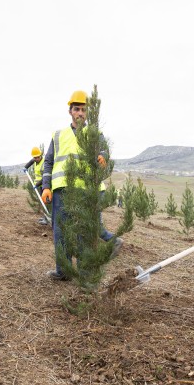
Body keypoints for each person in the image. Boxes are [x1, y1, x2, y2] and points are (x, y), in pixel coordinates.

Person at [40, 90, 122, 281]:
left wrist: (103, 156)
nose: (80, 113)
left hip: (87, 190)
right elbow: (49, 162)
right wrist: (46, 186)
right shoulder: (58, 135)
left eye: (84, 110)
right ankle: (64, 272)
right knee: (61, 232)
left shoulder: (95, 134)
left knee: (85, 235)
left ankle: (85, 275)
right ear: (70, 111)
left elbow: (104, 151)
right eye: (76, 109)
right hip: (62, 191)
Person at [24, 146, 49, 225]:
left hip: (45, 184)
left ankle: (47, 219)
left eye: (37, 157)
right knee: (42, 202)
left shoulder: (45, 163)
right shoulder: (35, 160)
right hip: (39, 185)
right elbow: (31, 161)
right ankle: (45, 217)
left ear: (40, 155)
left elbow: (46, 176)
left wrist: (37, 184)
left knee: (45, 201)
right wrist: (26, 167)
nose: (36, 159)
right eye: (35, 157)